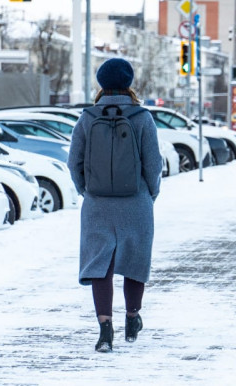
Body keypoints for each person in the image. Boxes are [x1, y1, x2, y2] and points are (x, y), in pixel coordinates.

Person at [67, 58, 164, 353]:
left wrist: (87, 191)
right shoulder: (142, 117)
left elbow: (74, 162)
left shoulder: (87, 117)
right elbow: (154, 164)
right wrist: (150, 195)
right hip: (136, 202)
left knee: (100, 265)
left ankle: (105, 329)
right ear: (128, 83)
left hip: (97, 204)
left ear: (101, 83)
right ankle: (132, 317)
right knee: (135, 262)